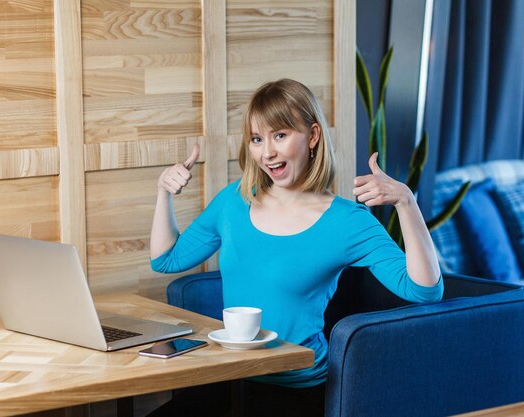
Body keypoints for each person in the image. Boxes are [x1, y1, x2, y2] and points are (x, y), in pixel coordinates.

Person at [148, 78, 443, 416]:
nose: (267, 152)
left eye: (280, 135)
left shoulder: (348, 221)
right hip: (231, 378)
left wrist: (406, 202)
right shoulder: (233, 202)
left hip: (295, 391)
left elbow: (425, 291)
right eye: (257, 139)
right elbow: (165, 260)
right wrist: (163, 193)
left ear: (313, 135)